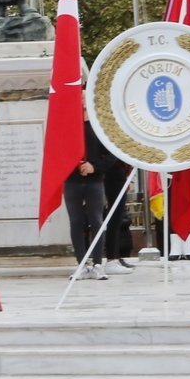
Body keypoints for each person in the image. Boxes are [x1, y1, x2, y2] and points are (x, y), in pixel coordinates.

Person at [62, 114, 117, 280]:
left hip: (94, 181)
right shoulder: (67, 126)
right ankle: (81, 264)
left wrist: (95, 167)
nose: (82, 101)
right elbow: (59, 151)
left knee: (97, 221)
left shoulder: (99, 124)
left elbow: (111, 153)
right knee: (76, 222)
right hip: (72, 181)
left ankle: (98, 264)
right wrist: (73, 165)